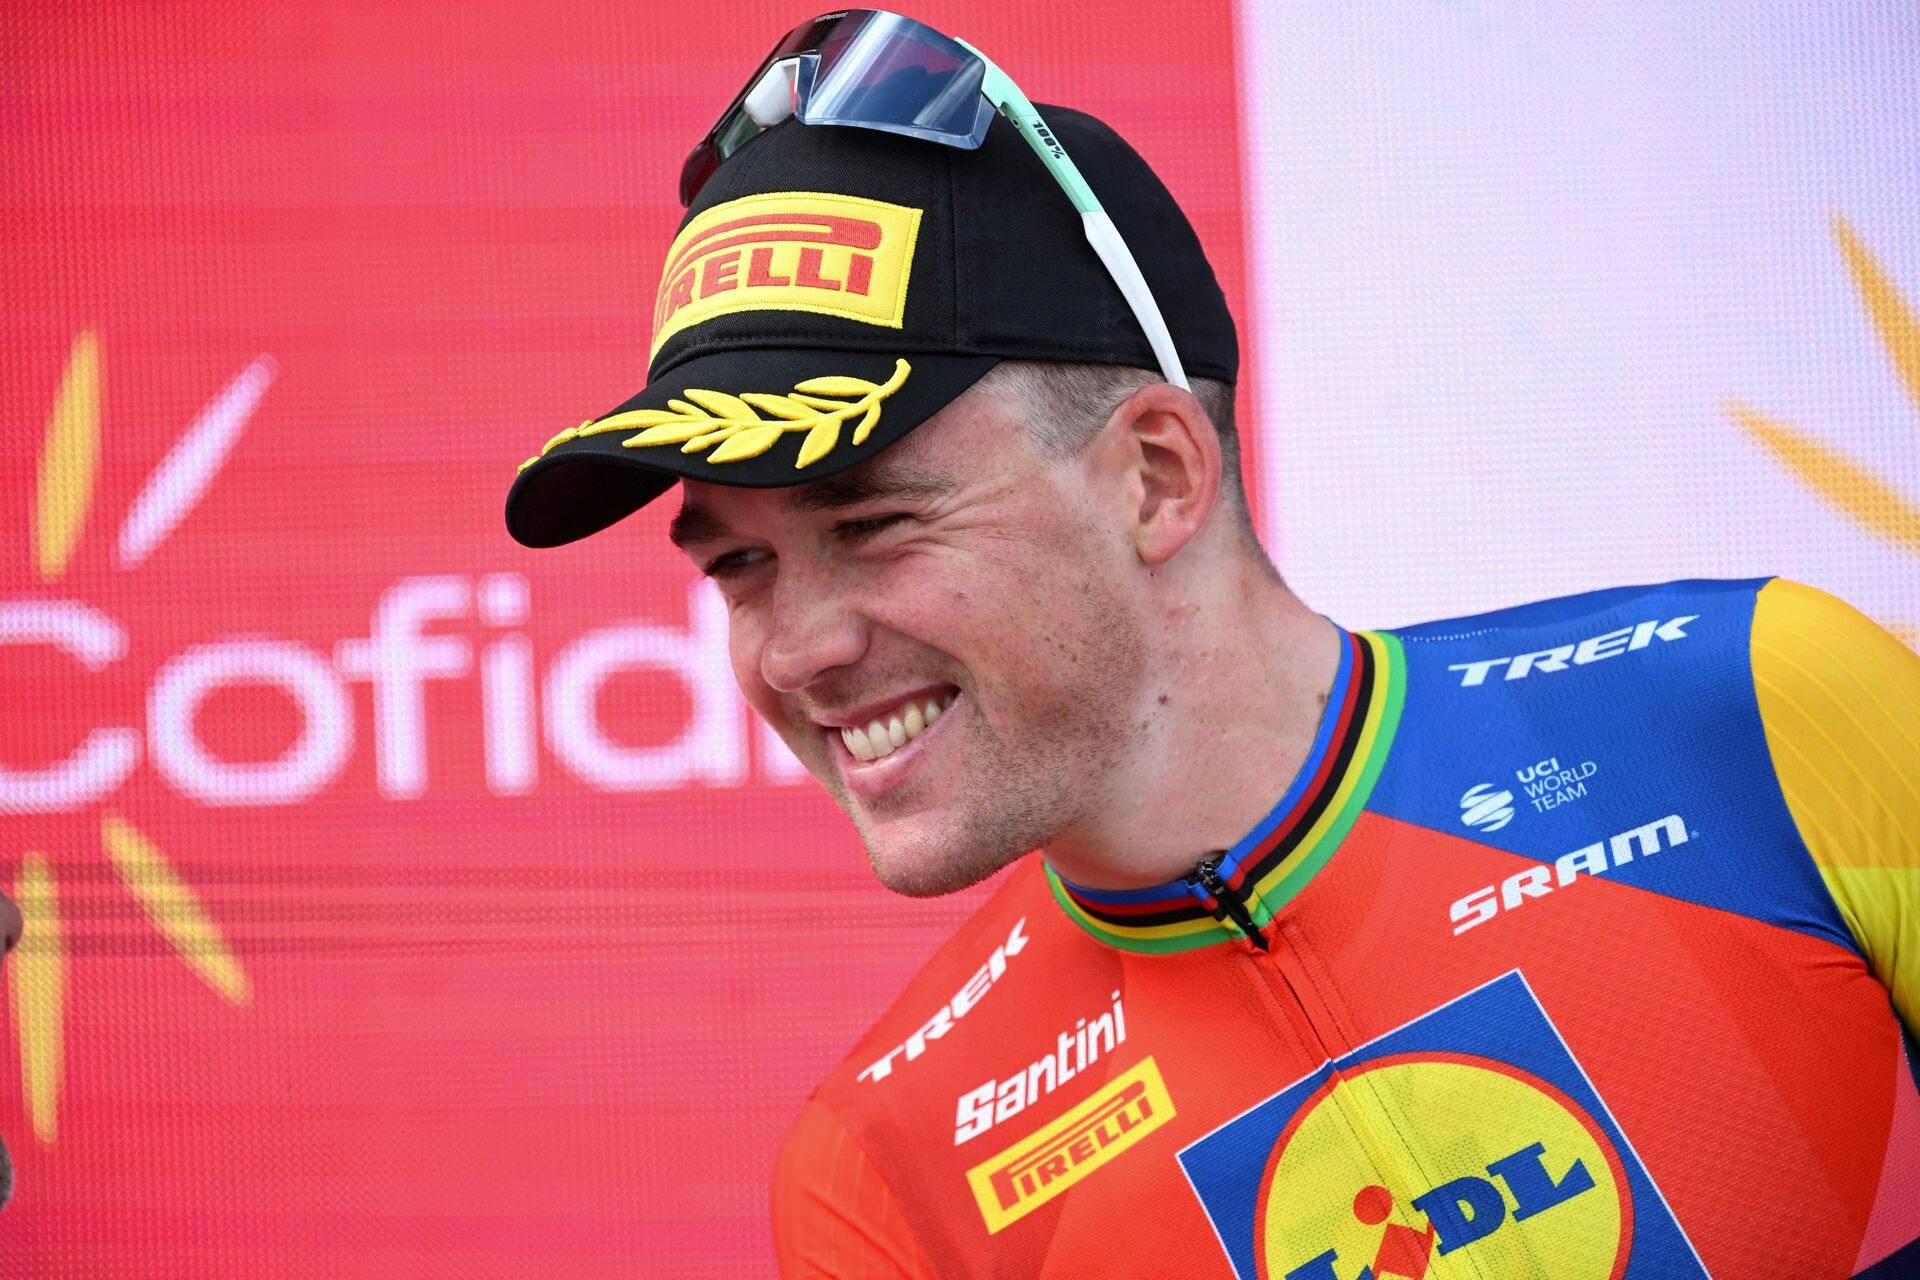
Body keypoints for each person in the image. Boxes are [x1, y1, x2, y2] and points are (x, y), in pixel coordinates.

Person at [505, 15, 1920, 1278]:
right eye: (740, 564)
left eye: (872, 521)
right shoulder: (882, 1179)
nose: (797, 650)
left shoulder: (1748, 707)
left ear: (1158, 475)